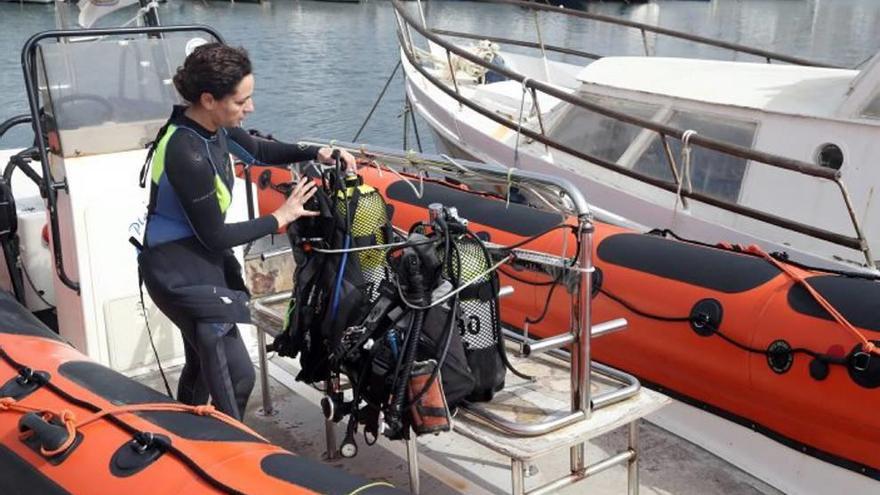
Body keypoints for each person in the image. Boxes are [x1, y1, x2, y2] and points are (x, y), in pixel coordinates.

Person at [137, 43, 356, 420]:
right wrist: (280, 216)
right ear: (208, 99)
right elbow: (215, 236)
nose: (249, 108)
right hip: (176, 271)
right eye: (242, 101)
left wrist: (316, 152)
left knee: (200, 366)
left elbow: (260, 151)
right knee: (236, 375)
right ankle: (231, 457)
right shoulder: (185, 151)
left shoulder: (214, 127)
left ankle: (186, 437)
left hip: (201, 260)